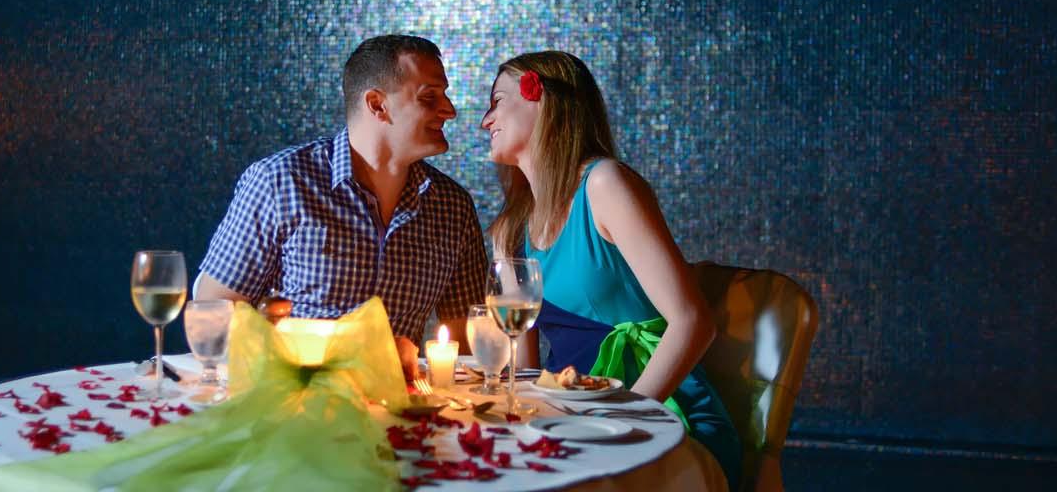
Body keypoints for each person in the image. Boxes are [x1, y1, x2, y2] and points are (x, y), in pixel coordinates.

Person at [480, 51, 742, 490]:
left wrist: (622, 421)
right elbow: (523, 374)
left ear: (539, 97)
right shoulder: (510, 230)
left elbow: (693, 322)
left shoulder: (605, 185)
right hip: (570, 420)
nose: (486, 120)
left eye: (497, 100)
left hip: (658, 415)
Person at [195, 35, 487, 380]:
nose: (449, 110)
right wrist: (340, 349)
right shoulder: (281, 181)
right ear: (377, 105)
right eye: (429, 98)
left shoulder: (452, 207)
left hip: (400, 412)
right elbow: (212, 312)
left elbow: (469, 339)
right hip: (291, 406)